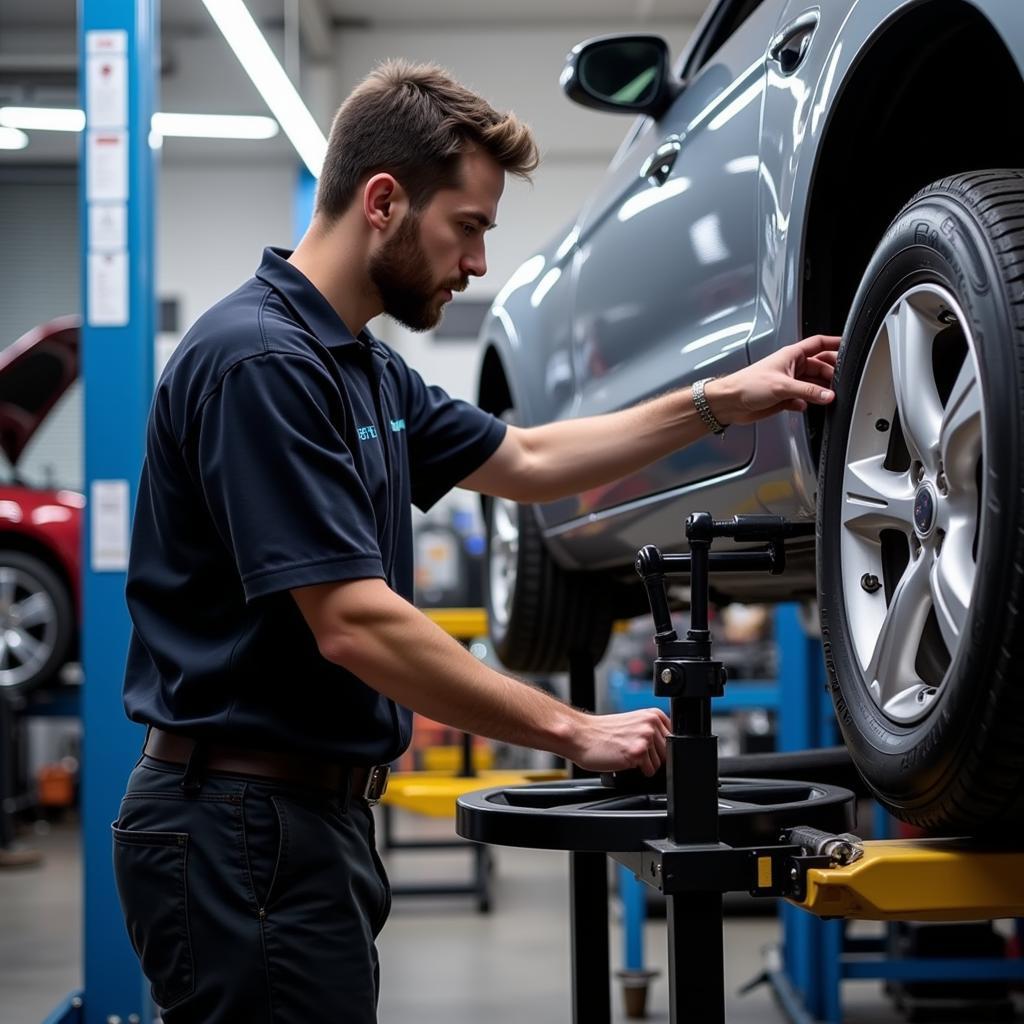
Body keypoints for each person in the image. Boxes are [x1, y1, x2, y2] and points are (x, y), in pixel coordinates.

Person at [112, 60, 839, 1023]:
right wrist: (572, 730)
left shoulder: (360, 366)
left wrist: (718, 401)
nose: (479, 263)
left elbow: (531, 458)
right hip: (241, 822)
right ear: (384, 201)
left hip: (297, 819)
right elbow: (355, 624)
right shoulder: (263, 363)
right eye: (470, 226)